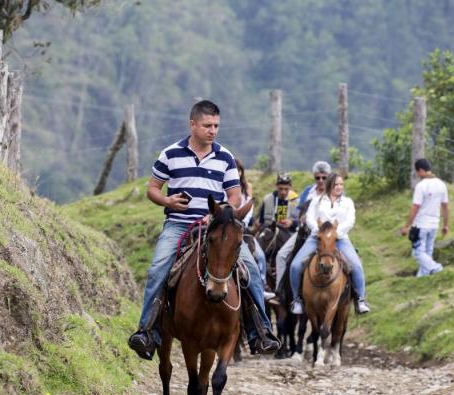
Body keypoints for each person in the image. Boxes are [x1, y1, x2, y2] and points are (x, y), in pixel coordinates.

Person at [127, 100, 280, 360]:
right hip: (179, 224)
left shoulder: (225, 158)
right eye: (208, 125)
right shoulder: (170, 154)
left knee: (250, 269)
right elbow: (152, 188)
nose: (213, 130)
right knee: (158, 267)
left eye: (216, 126)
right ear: (193, 124)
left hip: (215, 227)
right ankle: (147, 331)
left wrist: (221, 212)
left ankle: (261, 331)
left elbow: (234, 195)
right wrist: (167, 201)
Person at [289, 173, 370, 315]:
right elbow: (309, 217)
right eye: (336, 184)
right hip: (317, 238)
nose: (339, 187)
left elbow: (350, 221)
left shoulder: (348, 202)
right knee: (295, 265)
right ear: (329, 185)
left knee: (356, 265)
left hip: (340, 239)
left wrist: (335, 234)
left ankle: (360, 299)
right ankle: (297, 300)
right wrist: (319, 231)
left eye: (341, 184)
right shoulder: (317, 200)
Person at [274, 161, 331, 292]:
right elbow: (297, 214)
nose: (321, 180)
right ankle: (279, 291)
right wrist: (301, 218)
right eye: (318, 177)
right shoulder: (307, 191)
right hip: (305, 232)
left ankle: (357, 295)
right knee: (281, 255)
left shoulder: (334, 191)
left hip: (328, 235)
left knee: (351, 262)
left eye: (324, 177)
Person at [400, 158, 449, 277]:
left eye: (417, 172)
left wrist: (407, 226)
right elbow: (446, 207)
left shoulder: (421, 186)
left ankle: (437, 268)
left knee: (417, 253)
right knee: (427, 253)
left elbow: (415, 207)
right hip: (434, 224)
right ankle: (422, 278)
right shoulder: (441, 184)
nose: (417, 175)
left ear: (421, 170)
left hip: (421, 225)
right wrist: (445, 225)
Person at [235, 158, 267, 283]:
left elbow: (249, 207)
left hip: (243, 226)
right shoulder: (225, 187)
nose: (237, 173)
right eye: (234, 170)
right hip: (229, 226)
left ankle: (262, 284)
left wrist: (244, 221)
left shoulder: (247, 187)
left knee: (260, 257)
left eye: (239, 170)